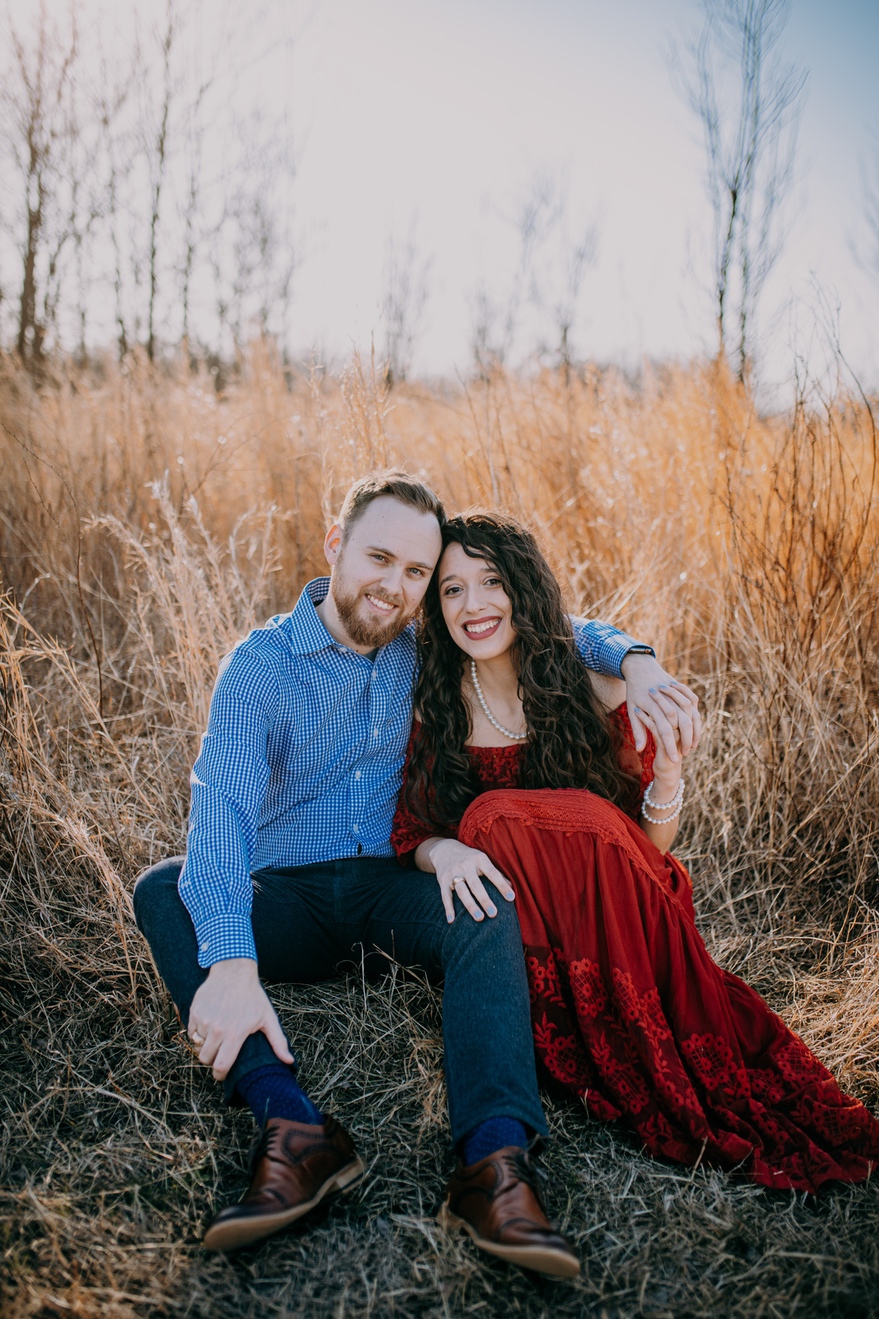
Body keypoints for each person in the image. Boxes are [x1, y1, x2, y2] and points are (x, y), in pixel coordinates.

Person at [133, 470, 699, 1277]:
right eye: (378, 558)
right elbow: (218, 810)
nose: (394, 587)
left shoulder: (422, 641)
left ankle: (495, 1164)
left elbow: (540, 623)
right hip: (287, 894)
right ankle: (293, 1130)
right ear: (335, 547)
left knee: (484, 900)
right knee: (163, 887)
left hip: (393, 888)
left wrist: (636, 658)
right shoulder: (259, 667)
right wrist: (229, 959)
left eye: (414, 573)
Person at [392, 511, 879, 1194]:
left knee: (498, 815)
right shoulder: (436, 706)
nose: (473, 604)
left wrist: (669, 779)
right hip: (534, 934)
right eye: (450, 589)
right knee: (485, 821)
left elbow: (644, 848)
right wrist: (443, 851)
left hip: (627, 909)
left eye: (491, 581)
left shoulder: (597, 686)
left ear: (522, 588)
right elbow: (412, 832)